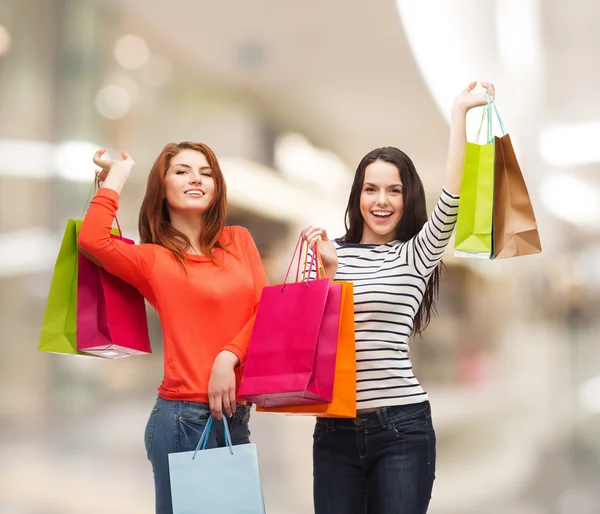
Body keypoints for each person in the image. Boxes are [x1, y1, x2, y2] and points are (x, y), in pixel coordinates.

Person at [302, 81, 495, 514]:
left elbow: (453, 198)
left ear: (407, 198)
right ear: (358, 195)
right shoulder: (328, 251)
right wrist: (327, 274)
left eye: (394, 190)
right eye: (371, 189)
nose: (382, 201)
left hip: (402, 426)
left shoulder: (416, 253)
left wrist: (460, 113)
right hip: (334, 431)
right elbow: (308, 341)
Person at [78, 141, 269, 514]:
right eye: (182, 171)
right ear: (162, 188)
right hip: (183, 418)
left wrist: (228, 356)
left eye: (206, 172)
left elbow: (266, 311)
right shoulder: (152, 259)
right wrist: (115, 177)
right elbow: (92, 239)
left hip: (236, 416)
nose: (196, 179)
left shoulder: (238, 240)